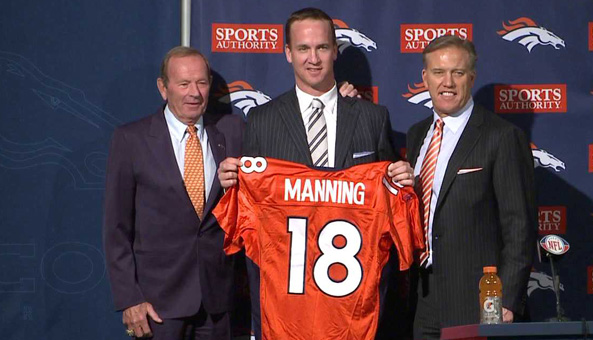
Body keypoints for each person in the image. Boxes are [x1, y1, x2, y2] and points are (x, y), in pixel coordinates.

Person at [216, 7, 414, 339]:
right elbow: (252, 216)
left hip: (353, 308)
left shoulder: (372, 117)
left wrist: (401, 181)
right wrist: (231, 184)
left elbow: (388, 207)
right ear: (288, 53)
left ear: (335, 51)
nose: (314, 58)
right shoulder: (263, 121)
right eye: (304, 48)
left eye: (322, 47)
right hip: (288, 307)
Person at [103, 46, 244, 340]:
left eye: (202, 83)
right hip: (158, 307)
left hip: (218, 304)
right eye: (184, 84)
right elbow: (116, 228)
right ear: (163, 88)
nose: (194, 92)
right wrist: (130, 298)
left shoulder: (233, 132)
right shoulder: (132, 140)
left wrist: (346, 103)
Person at [406, 35, 536, 339]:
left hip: (478, 300)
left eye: (458, 73)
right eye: (438, 72)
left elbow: (520, 227)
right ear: (425, 78)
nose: (447, 82)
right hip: (421, 298)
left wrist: (506, 301)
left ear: (472, 78)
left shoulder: (501, 137)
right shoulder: (416, 136)